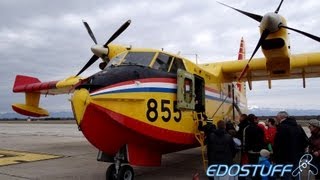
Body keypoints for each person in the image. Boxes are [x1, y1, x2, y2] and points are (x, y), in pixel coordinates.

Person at [273, 111, 308, 180]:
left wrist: (275, 157)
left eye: (277, 117)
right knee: (296, 174)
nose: (276, 119)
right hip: (297, 156)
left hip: (285, 157)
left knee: (286, 175)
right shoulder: (298, 127)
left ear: (281, 117)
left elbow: (278, 144)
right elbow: (305, 141)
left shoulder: (281, 127)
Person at [244, 114, 265, 180]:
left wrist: (246, 149)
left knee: (251, 164)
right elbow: (262, 139)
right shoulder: (259, 128)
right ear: (254, 119)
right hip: (258, 150)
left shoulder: (247, 128)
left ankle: (252, 176)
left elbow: (246, 140)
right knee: (258, 164)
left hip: (251, 150)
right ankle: (258, 177)